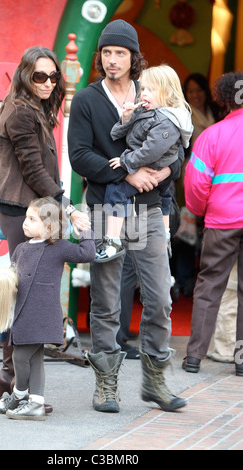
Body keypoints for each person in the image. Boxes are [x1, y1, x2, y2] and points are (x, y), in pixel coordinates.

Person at [68, 19, 186, 412]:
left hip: (150, 211)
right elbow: (80, 156)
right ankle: (106, 384)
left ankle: (155, 381)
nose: (113, 60)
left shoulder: (148, 92)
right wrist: (128, 172)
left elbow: (176, 146)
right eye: (107, 52)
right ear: (100, 57)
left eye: (121, 53)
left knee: (160, 297)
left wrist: (167, 171)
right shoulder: (87, 100)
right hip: (106, 210)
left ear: (134, 58)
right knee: (106, 300)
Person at [0, 46, 91, 404]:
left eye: (53, 76)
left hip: (32, 208)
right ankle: (9, 382)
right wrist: (68, 207)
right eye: (39, 76)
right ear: (24, 75)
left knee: (26, 295)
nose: (47, 83)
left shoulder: (36, 109)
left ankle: (14, 383)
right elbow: (32, 167)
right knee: (22, 296)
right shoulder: (19, 111)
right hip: (21, 211)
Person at [0, 197, 95, 420]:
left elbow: (86, 254)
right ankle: (35, 402)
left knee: (20, 356)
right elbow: (12, 276)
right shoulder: (20, 248)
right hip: (22, 316)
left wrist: (85, 230)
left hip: (41, 315)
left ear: (49, 226)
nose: (25, 223)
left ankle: (19, 395)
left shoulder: (59, 247)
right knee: (35, 359)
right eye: (26, 218)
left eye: (31, 219)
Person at [95, 64, 192, 262]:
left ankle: (113, 241)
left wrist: (125, 161)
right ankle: (165, 238)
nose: (144, 93)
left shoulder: (168, 120)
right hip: (158, 174)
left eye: (151, 89)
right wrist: (127, 118)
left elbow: (151, 151)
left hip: (152, 169)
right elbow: (115, 134)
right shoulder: (148, 112)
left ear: (168, 92)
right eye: (144, 89)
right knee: (165, 198)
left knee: (115, 191)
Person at [182, 71, 243, 377]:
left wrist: (201, 210)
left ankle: (194, 357)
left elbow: (194, 183)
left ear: (222, 98)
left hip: (222, 221)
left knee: (209, 287)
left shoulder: (212, 134)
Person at [171, 73, 222, 301]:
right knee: (185, 230)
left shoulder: (217, 114)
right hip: (189, 175)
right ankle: (181, 280)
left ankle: (197, 279)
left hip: (219, 176)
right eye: (190, 91)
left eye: (199, 90)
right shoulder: (184, 115)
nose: (195, 95)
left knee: (208, 229)